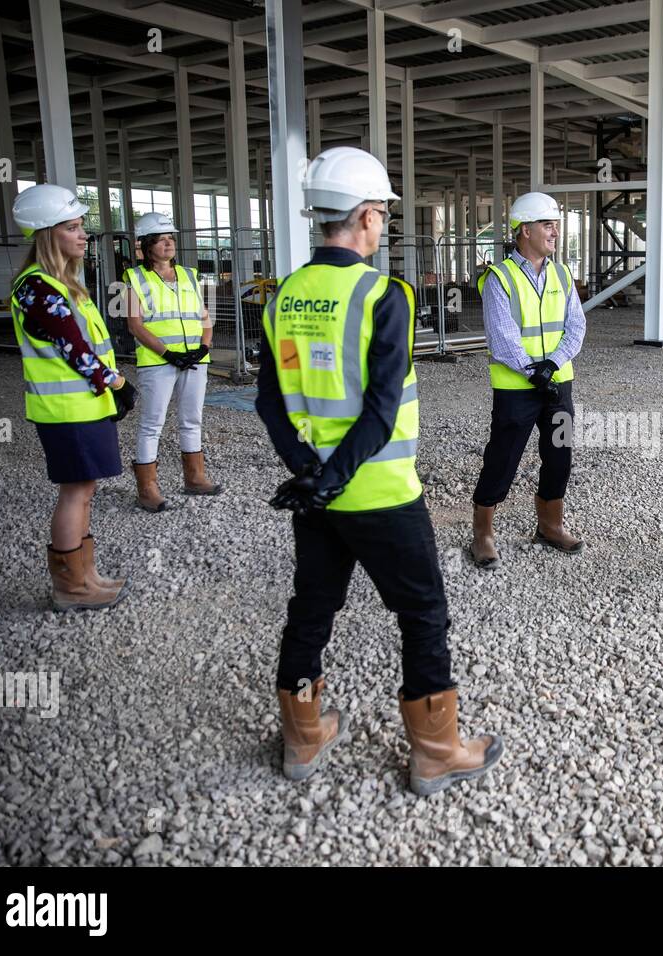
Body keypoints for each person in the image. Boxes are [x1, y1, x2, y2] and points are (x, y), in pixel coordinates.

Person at [255, 146, 502, 794]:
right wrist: (335, 476)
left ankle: (303, 737)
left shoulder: (283, 294)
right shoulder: (382, 295)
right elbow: (381, 411)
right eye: (382, 215)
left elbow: (268, 400)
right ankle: (435, 751)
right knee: (421, 612)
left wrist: (310, 473)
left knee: (311, 609)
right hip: (382, 493)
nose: (383, 225)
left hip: (318, 498)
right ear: (365, 217)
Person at [10, 184, 137, 610]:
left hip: (83, 406)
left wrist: (110, 384)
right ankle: (71, 587)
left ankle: (86, 576)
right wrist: (118, 383)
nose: (83, 235)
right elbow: (75, 351)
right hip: (67, 410)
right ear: (49, 234)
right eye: (73, 227)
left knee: (85, 491)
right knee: (75, 493)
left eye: (82, 227)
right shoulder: (40, 288)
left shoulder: (58, 284)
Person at [469, 191, 586, 568]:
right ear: (524, 231)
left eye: (556, 225)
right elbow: (502, 337)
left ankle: (550, 525)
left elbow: (576, 327)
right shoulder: (499, 278)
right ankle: (483, 534)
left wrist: (551, 366)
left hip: (558, 387)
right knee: (502, 459)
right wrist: (533, 372)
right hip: (516, 389)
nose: (555, 232)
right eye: (547, 225)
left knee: (560, 455)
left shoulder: (563, 274)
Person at [124, 212, 222, 511]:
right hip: (158, 362)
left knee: (192, 419)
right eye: (161, 239)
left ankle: (195, 479)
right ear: (147, 245)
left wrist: (203, 348)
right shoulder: (134, 279)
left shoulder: (191, 276)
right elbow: (135, 325)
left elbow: (206, 318)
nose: (168, 244)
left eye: (171, 238)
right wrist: (167, 354)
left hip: (194, 360)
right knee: (152, 423)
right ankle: (147, 489)